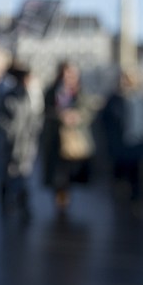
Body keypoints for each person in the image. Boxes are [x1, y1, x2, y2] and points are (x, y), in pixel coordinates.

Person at [102, 70, 143, 204]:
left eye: (127, 80)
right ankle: (120, 199)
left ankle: (135, 200)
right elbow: (105, 120)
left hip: (137, 142)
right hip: (118, 143)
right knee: (119, 172)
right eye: (123, 80)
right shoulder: (113, 99)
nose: (124, 83)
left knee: (136, 173)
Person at [41, 62, 96, 212]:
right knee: (58, 173)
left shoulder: (81, 92)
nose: (68, 77)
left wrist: (78, 116)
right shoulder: (52, 91)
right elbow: (45, 111)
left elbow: (88, 110)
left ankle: (66, 196)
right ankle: (60, 198)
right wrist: (61, 116)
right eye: (66, 74)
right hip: (56, 139)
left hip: (75, 139)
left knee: (72, 170)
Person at [0, 61, 43, 216]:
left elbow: (35, 118)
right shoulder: (8, 96)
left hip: (26, 143)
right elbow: (0, 118)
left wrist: (32, 133)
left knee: (23, 173)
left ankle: (23, 205)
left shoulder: (29, 96)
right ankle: (6, 201)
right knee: (8, 172)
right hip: (10, 143)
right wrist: (10, 133)